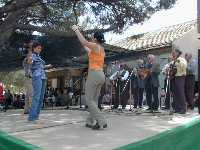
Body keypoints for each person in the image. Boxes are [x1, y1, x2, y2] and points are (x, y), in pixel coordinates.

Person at [72, 25, 107, 130]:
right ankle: (90, 121)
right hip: (101, 75)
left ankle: (101, 121)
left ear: (95, 39)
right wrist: (81, 36)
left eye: (93, 37)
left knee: (89, 99)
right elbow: (86, 47)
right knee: (94, 100)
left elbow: (84, 42)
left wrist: (76, 30)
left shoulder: (95, 46)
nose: (91, 38)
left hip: (94, 74)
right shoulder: (101, 49)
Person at [27, 41, 52, 122]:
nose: (40, 49)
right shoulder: (32, 55)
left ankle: (36, 116)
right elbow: (30, 62)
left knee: (41, 98)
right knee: (36, 97)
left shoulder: (39, 57)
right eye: (38, 48)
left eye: (40, 48)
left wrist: (47, 66)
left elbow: (41, 67)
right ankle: (31, 117)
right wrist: (30, 58)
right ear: (34, 48)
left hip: (43, 77)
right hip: (37, 77)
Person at [171, 48, 187, 114]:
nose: (172, 53)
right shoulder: (173, 60)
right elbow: (171, 68)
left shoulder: (182, 59)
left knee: (180, 93)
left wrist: (177, 62)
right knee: (175, 93)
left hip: (180, 77)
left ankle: (183, 109)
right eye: (172, 53)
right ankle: (177, 108)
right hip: (174, 78)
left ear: (177, 53)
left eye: (174, 52)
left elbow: (184, 66)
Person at [23, 41, 33, 114]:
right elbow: (29, 59)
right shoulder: (26, 60)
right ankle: (31, 109)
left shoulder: (28, 60)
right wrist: (30, 48)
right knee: (31, 94)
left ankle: (26, 110)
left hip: (29, 78)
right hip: (29, 78)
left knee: (28, 94)